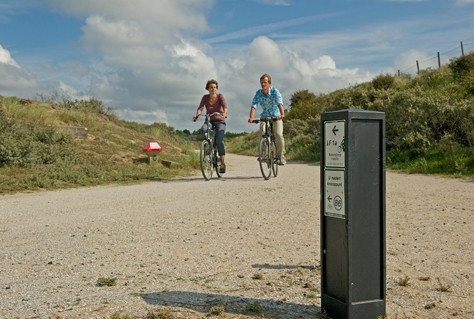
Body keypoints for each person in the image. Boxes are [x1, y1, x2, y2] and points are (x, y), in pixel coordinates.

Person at [248, 73, 286, 165]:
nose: (263, 84)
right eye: (261, 83)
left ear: (269, 83)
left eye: (265, 82)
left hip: (276, 116)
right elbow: (254, 105)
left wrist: (282, 114)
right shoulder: (258, 93)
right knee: (262, 132)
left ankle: (280, 156)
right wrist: (251, 117)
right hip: (264, 116)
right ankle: (263, 155)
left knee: (278, 134)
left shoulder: (275, 92)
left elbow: (279, 103)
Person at [193, 79, 228, 173]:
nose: (213, 89)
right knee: (203, 129)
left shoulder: (220, 96)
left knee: (219, 141)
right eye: (211, 87)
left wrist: (224, 114)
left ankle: (222, 163)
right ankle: (208, 146)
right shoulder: (205, 97)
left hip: (220, 121)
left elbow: (225, 107)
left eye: (215, 87)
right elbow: (200, 108)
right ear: (208, 89)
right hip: (209, 120)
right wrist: (197, 115)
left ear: (217, 88)